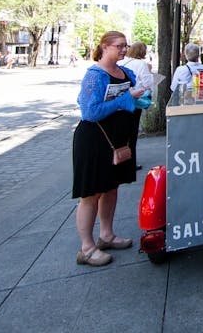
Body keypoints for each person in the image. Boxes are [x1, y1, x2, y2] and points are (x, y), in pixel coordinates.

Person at [72, 31, 146, 266]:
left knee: (111, 188)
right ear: (104, 47)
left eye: (125, 46)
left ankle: (106, 234)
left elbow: (133, 98)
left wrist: (141, 97)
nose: (123, 50)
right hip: (95, 141)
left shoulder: (126, 72)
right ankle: (87, 247)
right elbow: (90, 112)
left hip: (118, 140)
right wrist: (125, 100)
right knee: (91, 194)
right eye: (119, 46)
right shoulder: (94, 75)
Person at [118, 41, 153, 170]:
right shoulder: (141, 64)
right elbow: (148, 82)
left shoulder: (121, 62)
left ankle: (120, 159)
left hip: (120, 101)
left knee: (122, 132)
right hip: (135, 101)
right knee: (132, 133)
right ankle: (130, 163)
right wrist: (149, 71)